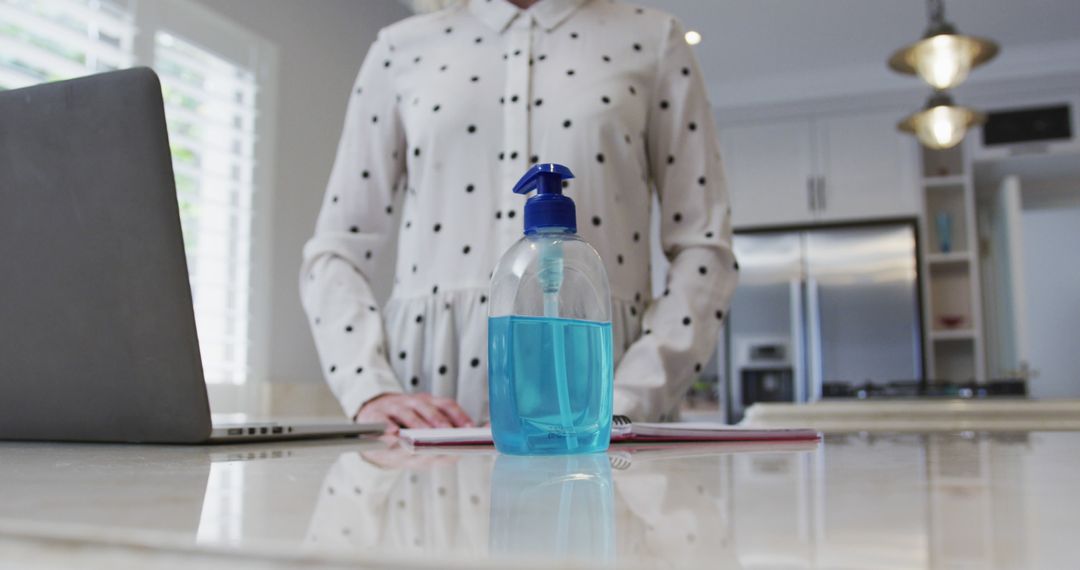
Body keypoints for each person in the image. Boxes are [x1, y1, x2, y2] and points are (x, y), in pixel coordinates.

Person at [300, 0, 738, 433]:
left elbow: (704, 250)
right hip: (428, 398)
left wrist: (628, 398)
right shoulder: (399, 49)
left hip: (610, 390)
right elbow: (337, 249)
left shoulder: (655, 39)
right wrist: (369, 389)